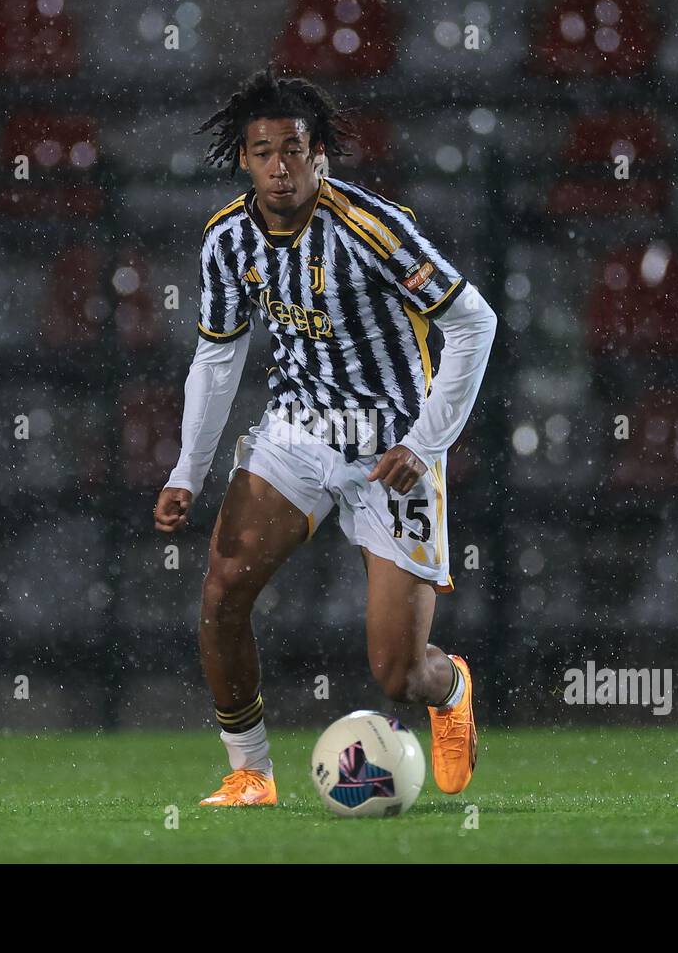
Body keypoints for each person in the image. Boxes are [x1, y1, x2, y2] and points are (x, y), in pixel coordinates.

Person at [154, 65, 498, 806]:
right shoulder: (226, 240)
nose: (281, 166)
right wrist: (188, 469)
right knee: (221, 592)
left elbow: (474, 321)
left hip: (392, 450)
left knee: (397, 674)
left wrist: (427, 443)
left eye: (295, 149)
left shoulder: (372, 229)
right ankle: (251, 772)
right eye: (264, 151)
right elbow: (219, 354)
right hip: (298, 432)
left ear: (321, 155)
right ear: (243, 159)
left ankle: (450, 688)